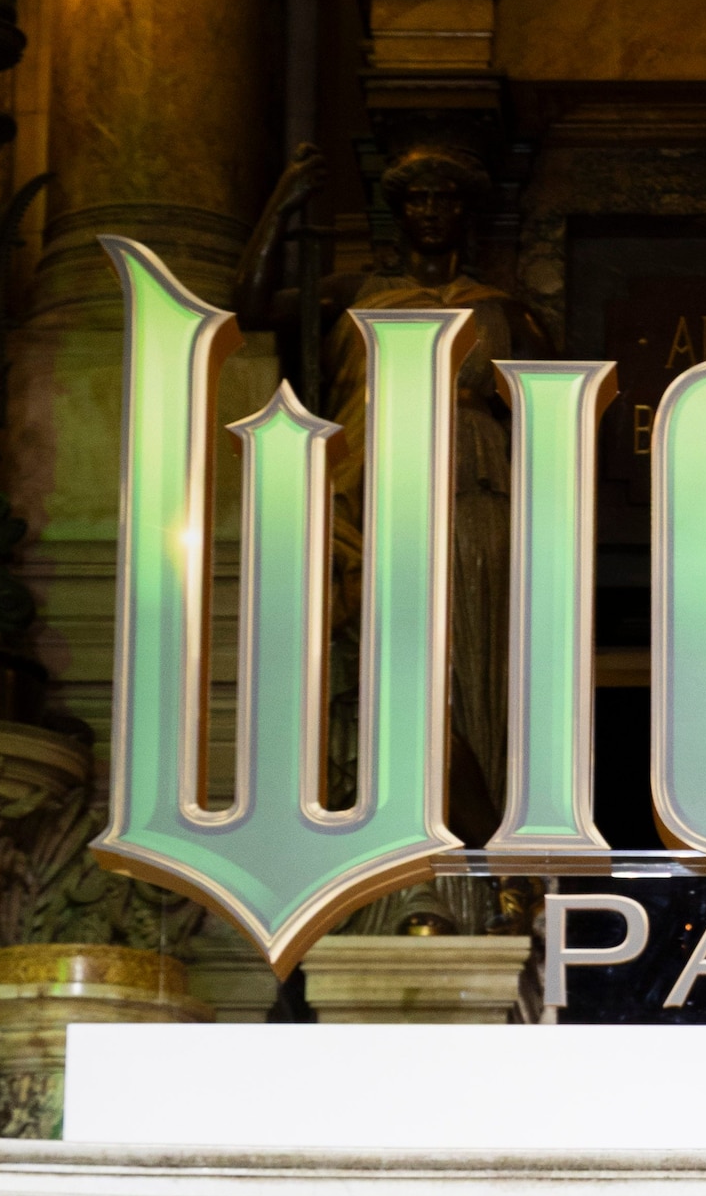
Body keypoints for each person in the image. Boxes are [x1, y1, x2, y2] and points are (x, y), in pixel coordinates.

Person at [235, 139, 552, 844]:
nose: (431, 211)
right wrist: (283, 207)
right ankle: (411, 818)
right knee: (391, 660)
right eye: (418, 199)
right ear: (399, 213)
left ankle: (481, 841)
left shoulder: (505, 313)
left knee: (468, 660)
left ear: (466, 215)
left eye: (446, 199)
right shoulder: (354, 293)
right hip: (370, 488)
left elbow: (552, 421)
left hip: (472, 489)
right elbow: (250, 306)